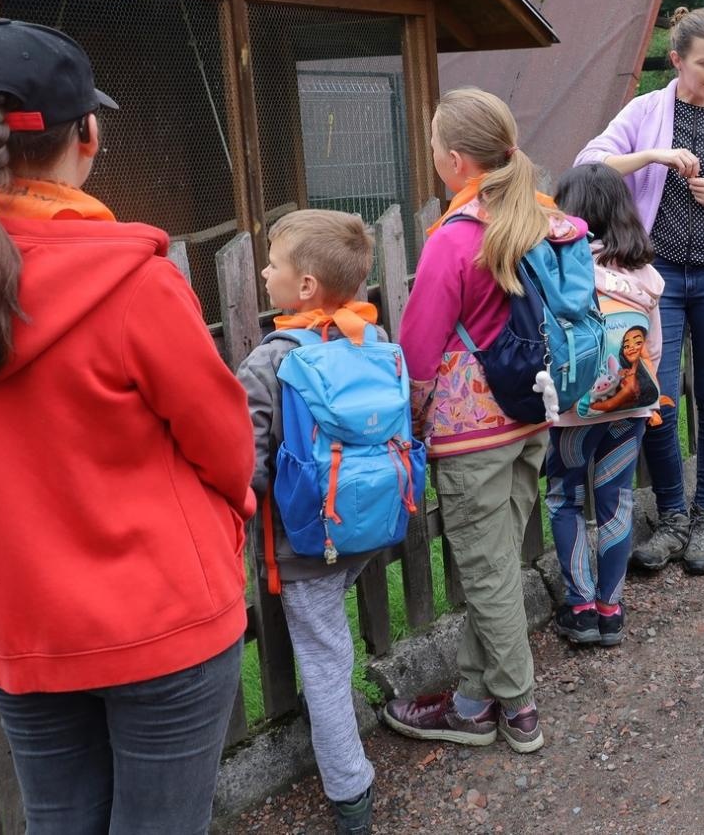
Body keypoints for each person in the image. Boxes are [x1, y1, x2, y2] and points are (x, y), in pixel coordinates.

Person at [0, 19, 254, 833]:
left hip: (23, 629)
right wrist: (229, 519)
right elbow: (226, 443)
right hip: (164, 620)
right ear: (87, 136)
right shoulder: (136, 284)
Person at [382, 88, 574, 753]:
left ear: (455, 160)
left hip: (473, 434)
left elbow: (418, 353)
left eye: (434, 144)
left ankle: (519, 709)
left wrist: (408, 415)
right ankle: (470, 703)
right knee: (496, 565)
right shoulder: (542, 219)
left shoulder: (454, 240)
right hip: (534, 415)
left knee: (489, 574)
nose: (433, 154)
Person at [576, 6, 704, 575]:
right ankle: (672, 518)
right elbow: (588, 165)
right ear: (677, 60)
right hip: (654, 280)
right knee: (655, 399)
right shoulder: (644, 112)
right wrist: (654, 157)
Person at [237, 209, 380, 834]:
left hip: (304, 543)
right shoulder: (367, 340)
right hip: (366, 525)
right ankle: (338, 716)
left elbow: (248, 462)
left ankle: (352, 793)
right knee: (332, 643)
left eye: (274, 263)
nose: (264, 271)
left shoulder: (267, 364)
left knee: (323, 659)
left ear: (305, 288)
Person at [545, 162, 666, 647]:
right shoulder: (646, 275)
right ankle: (611, 608)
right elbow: (653, 349)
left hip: (575, 409)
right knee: (617, 501)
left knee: (565, 498)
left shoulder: (561, 272)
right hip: (630, 409)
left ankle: (580, 606)